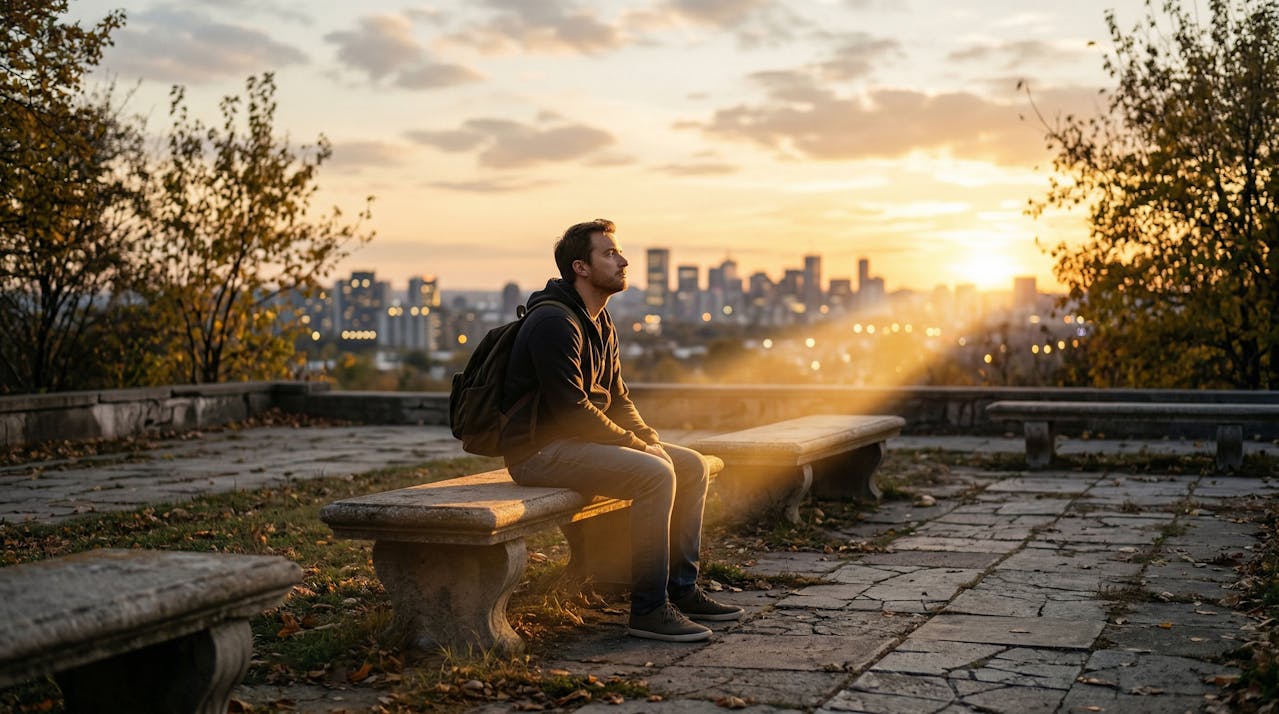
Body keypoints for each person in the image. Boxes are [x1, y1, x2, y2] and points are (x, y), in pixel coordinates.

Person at [500, 218, 743, 642]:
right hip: (539, 451)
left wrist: (648, 440)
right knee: (654, 474)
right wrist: (639, 450)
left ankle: (681, 589)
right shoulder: (554, 322)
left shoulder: (600, 320)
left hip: (579, 443)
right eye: (609, 253)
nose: (623, 260)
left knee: (690, 466)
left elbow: (618, 398)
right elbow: (573, 410)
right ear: (580, 267)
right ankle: (648, 610)